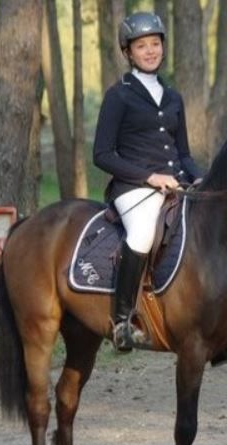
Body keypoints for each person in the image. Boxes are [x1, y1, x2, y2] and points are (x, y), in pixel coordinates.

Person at [93, 11, 204, 352]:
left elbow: (183, 153)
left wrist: (201, 179)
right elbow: (103, 154)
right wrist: (149, 177)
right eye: (142, 46)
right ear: (128, 52)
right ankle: (123, 321)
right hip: (134, 189)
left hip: (175, 185)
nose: (150, 51)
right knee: (142, 233)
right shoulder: (119, 96)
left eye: (155, 44)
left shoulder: (173, 98)